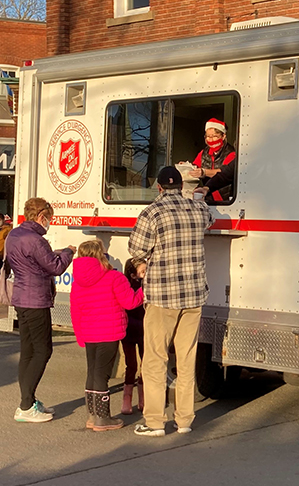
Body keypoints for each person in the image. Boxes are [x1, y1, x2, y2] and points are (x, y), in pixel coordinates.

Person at [128, 166, 215, 437]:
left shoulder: (152, 212)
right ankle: (184, 420)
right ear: (181, 186)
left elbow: (136, 248)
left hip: (162, 297)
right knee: (187, 359)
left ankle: (155, 421)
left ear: (159, 188)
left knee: (155, 359)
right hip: (193, 296)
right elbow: (210, 218)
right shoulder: (198, 210)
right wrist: (199, 196)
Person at [9, 197, 75, 423]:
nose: (50, 223)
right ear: (41, 217)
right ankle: (26, 405)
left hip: (20, 297)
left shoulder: (14, 235)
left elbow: (32, 263)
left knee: (27, 351)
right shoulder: (36, 240)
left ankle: (28, 400)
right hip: (36, 299)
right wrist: (67, 252)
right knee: (43, 350)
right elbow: (55, 267)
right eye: (50, 218)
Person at [70, 240, 144, 432]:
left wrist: (79, 335)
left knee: (92, 372)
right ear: (100, 255)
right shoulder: (114, 277)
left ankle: (92, 416)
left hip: (88, 333)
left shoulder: (77, 281)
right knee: (102, 374)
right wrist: (144, 290)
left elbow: (75, 311)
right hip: (109, 332)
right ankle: (103, 419)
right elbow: (130, 302)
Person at [120, 258, 148, 415]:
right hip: (129, 331)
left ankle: (143, 398)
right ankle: (127, 398)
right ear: (132, 275)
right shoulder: (126, 287)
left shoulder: (148, 286)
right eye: (142, 272)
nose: (145, 275)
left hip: (144, 331)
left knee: (146, 364)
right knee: (131, 365)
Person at [189, 118, 236, 203]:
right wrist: (186, 166)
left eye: (214, 136)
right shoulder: (203, 153)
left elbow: (225, 173)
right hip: (207, 197)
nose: (211, 140)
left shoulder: (231, 153)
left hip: (225, 199)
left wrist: (204, 172)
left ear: (223, 136)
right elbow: (195, 167)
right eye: (208, 137)